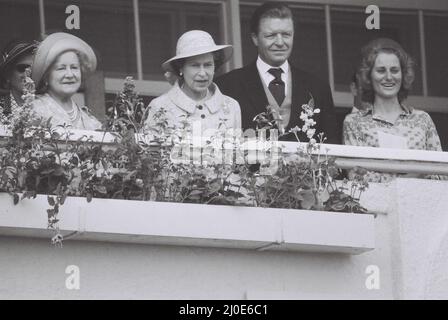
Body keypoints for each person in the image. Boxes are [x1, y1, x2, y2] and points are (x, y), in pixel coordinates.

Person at [215, 1, 339, 143]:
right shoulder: (228, 86)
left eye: (286, 34)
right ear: (255, 38)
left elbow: (331, 145)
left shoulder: (318, 87)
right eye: (271, 35)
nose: (280, 42)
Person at [343, 38, 443, 182]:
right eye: (381, 70)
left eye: (395, 70)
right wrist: (415, 174)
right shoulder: (355, 122)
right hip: (376, 203)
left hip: (421, 201)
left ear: (403, 75)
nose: (389, 77)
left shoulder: (422, 120)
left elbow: (441, 173)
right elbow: (356, 177)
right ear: (369, 76)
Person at [144, 30, 241, 136]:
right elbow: (149, 151)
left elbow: (235, 151)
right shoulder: (159, 107)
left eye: (208, 65)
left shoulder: (231, 106)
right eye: (195, 65)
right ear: (181, 68)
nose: (203, 73)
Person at [30, 32, 101, 130]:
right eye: (61, 68)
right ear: (46, 76)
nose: (69, 75)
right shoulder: (34, 110)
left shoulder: (90, 121)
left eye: (74, 67)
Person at [0, 40, 38, 118]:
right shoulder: (1, 108)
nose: (28, 74)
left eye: (33, 68)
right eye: (22, 68)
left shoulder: (48, 105)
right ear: (8, 74)